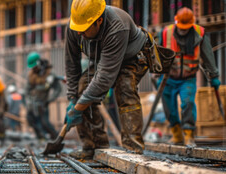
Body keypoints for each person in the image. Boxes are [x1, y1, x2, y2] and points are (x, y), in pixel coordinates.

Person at [64, 0, 151, 159]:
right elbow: (71, 64)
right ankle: (94, 146)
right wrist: (72, 98)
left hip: (131, 57)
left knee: (125, 88)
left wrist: (78, 108)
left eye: (83, 30)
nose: (79, 33)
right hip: (103, 60)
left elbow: (104, 78)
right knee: (82, 87)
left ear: (99, 21)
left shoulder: (117, 25)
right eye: (77, 29)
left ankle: (133, 149)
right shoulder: (75, 27)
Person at [157, 7, 220, 147]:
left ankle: (189, 135)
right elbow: (156, 55)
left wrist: (214, 75)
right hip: (168, 78)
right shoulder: (165, 33)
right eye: (181, 27)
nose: (184, 30)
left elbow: (208, 56)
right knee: (169, 108)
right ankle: (177, 135)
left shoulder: (199, 33)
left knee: (188, 103)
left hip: (188, 78)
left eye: (186, 28)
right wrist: (156, 74)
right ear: (176, 22)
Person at [25, 52, 62, 140]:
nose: (33, 69)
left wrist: (50, 100)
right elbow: (27, 89)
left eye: (35, 67)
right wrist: (29, 100)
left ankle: (56, 138)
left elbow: (58, 89)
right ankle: (40, 137)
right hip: (34, 101)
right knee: (30, 119)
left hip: (44, 102)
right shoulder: (31, 74)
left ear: (39, 63)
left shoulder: (49, 74)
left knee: (45, 122)